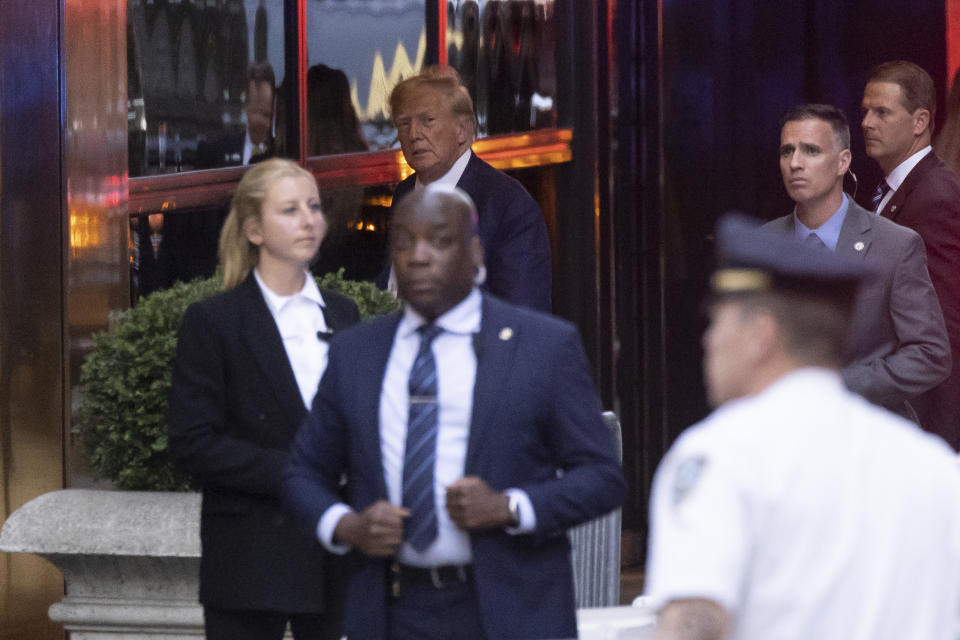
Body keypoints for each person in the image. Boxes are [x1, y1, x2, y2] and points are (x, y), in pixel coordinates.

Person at [283, 184, 624, 640]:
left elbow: (602, 476)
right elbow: (302, 472)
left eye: (440, 241)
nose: (418, 256)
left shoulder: (542, 346)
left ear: (476, 254)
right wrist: (347, 525)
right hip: (392, 610)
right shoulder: (356, 354)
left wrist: (509, 507)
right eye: (403, 242)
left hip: (509, 611)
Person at [644, 213, 960, 640]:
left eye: (718, 320)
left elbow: (693, 624)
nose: (708, 339)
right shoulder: (934, 468)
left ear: (760, 335)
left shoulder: (721, 456)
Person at [167, 158, 360, 640]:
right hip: (250, 559)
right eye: (290, 209)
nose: (309, 220)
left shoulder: (344, 313)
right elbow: (193, 442)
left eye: (314, 207)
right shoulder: (213, 321)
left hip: (335, 556)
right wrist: (297, 473)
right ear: (253, 229)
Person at [764, 103, 949, 419]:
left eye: (810, 151)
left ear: (842, 162)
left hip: (870, 432)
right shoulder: (763, 244)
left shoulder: (894, 244)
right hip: (782, 436)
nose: (795, 163)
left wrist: (840, 385)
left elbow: (930, 354)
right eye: (786, 151)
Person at [377, 65, 553, 313]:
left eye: (428, 120)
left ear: (461, 129)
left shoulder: (510, 207)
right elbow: (390, 285)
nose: (414, 134)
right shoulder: (405, 192)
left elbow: (522, 323)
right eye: (404, 122)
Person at [862, 60, 960, 447]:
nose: (867, 122)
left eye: (882, 112)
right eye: (865, 111)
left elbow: (947, 327)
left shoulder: (935, 196)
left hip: (927, 420)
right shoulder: (894, 189)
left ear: (920, 122)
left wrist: (941, 435)